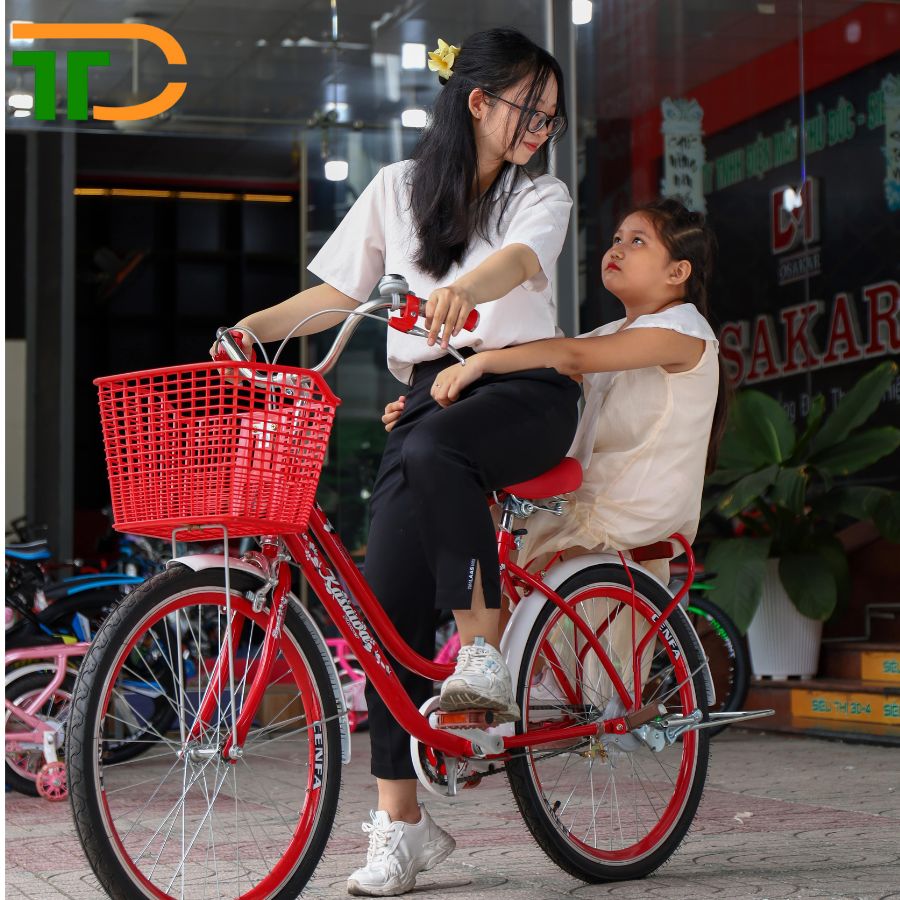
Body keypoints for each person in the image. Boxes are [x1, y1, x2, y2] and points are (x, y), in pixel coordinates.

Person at [216, 28, 581, 898]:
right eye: (530, 109)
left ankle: (482, 650)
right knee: (382, 613)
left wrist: (465, 291)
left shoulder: (542, 194)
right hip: (428, 401)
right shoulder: (394, 190)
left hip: (525, 390)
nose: (541, 128)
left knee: (433, 444)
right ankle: (403, 828)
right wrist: (253, 329)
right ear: (478, 102)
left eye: (552, 117)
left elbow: (519, 262)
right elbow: (339, 291)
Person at [386, 195, 725, 597]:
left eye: (637, 241)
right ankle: (487, 636)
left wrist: (478, 363)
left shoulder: (685, 331)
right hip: (591, 498)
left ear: (678, 271)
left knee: (498, 559)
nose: (617, 249)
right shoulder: (612, 333)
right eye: (617, 239)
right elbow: (541, 365)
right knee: (482, 539)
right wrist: (428, 403)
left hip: (632, 506)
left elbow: (568, 356)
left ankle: (486, 635)